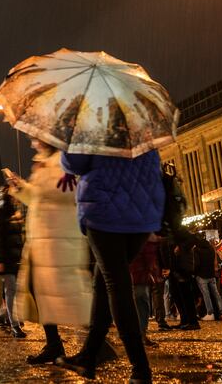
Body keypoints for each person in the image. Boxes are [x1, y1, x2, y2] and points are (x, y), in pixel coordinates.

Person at [55, 149, 164, 384]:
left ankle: (140, 369)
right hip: (141, 216)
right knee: (104, 283)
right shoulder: (140, 125)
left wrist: (66, 147)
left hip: (105, 212)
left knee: (117, 285)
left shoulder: (93, 123)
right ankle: (88, 356)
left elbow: (74, 162)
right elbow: (154, 166)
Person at [7, 140, 92, 365]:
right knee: (40, 290)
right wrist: (22, 187)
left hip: (60, 236)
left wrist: (42, 176)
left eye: (38, 138)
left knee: (71, 293)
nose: (33, 142)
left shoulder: (65, 160)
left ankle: (96, 341)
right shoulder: (47, 162)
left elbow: (66, 191)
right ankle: (54, 343)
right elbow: (38, 198)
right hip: (44, 237)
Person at [0, 189, 26, 338]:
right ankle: (15, 325)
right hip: (7, 260)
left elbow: (21, 237)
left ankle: (3, 316)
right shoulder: (1, 213)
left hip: (18, 259)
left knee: (18, 292)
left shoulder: (17, 214)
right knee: (11, 291)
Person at [130, 234, 160, 347]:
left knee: (136, 306)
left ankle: (136, 336)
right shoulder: (147, 241)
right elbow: (149, 260)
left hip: (131, 276)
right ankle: (141, 335)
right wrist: (154, 274)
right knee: (142, 307)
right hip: (139, 277)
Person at [168, 229, 200, 330]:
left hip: (182, 267)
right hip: (174, 267)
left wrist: (180, 247)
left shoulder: (178, 229)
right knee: (177, 295)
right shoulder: (167, 231)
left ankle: (193, 321)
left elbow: (194, 238)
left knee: (186, 295)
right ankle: (185, 320)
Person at [194, 234, 222, 321]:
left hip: (201, 275)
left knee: (206, 295)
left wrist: (195, 272)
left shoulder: (197, 250)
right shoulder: (211, 249)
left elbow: (197, 263)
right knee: (216, 294)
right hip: (211, 274)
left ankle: (210, 313)